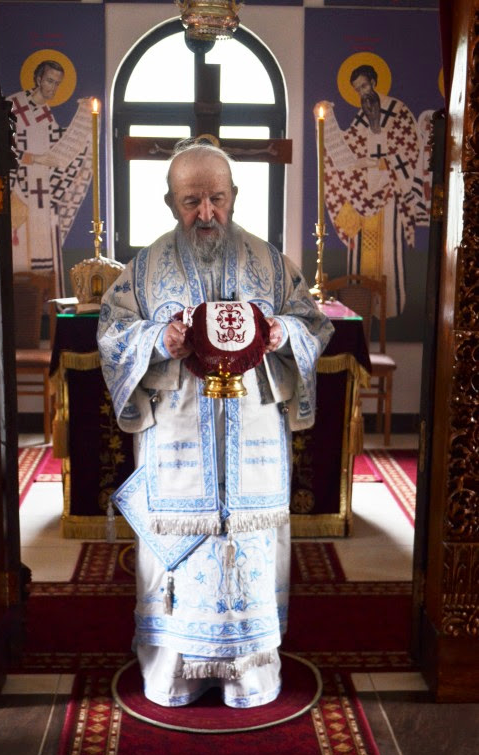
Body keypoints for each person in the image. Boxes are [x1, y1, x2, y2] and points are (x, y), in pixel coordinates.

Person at [97, 141, 334, 708]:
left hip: (252, 437)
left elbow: (314, 324)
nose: (206, 213)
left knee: (249, 548)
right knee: (179, 551)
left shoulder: (270, 263)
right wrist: (158, 338)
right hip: (177, 441)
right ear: (169, 202)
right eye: (191, 201)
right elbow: (111, 332)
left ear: (234, 196)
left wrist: (282, 333)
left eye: (217, 198)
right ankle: (173, 673)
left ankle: (249, 675)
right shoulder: (145, 269)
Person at [317, 64, 423, 317]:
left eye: (364, 86)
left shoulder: (398, 111)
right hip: (365, 195)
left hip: (390, 192)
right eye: (357, 90)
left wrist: (384, 164)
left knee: (388, 248)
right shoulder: (362, 115)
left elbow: (411, 148)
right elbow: (349, 148)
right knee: (361, 248)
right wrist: (328, 126)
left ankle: (390, 307)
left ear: (374, 82)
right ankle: (358, 310)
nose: (363, 93)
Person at [8, 59, 93, 296]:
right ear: (37, 79)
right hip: (18, 188)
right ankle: (20, 303)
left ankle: (45, 305)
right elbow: (0, 146)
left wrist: (83, 122)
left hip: (42, 190)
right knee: (20, 246)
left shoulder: (46, 114)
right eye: (49, 81)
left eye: (57, 83)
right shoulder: (12, 105)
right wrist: (32, 158)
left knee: (43, 243)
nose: (53, 87)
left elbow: (58, 146)